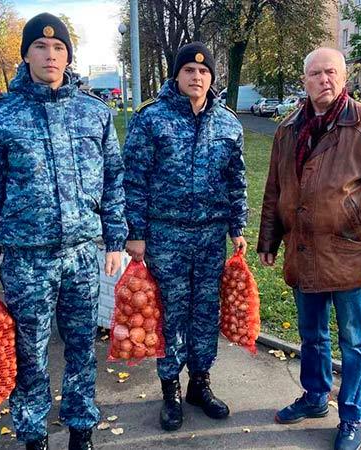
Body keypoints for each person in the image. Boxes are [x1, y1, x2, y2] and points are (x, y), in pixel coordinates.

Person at [0, 12, 127, 450]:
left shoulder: (94, 113)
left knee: (82, 348)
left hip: (81, 254)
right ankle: (34, 434)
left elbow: (113, 179)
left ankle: (81, 429)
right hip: (27, 258)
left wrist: (115, 239)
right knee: (29, 353)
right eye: (40, 46)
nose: (50, 55)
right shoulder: (0, 117)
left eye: (58, 48)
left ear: (69, 57)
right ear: (26, 54)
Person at [257, 47, 361, 450]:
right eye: (316, 73)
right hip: (303, 251)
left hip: (349, 253)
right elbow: (274, 190)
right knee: (312, 335)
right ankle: (315, 396)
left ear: (344, 78)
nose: (324, 79)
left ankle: (352, 414)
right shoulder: (289, 129)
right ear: (304, 80)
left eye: (332, 72)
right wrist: (269, 239)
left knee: (353, 340)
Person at [122, 42, 248, 432]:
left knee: (205, 311)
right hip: (166, 235)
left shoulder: (228, 123)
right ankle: (170, 390)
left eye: (204, 72)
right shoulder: (151, 118)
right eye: (189, 71)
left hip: (211, 236)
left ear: (212, 78)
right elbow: (134, 179)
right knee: (171, 313)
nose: (197, 77)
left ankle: (200, 383)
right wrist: (135, 233)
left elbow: (236, 180)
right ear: (176, 75)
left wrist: (237, 226)